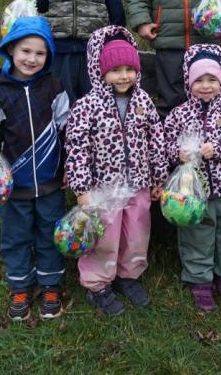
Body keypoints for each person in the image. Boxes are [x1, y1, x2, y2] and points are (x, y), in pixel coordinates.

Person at [0, 15, 70, 321]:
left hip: (51, 181)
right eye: (26, 51)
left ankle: (51, 283)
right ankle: (20, 285)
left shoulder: (54, 87)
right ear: (10, 49)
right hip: (13, 186)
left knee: (50, 233)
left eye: (40, 53)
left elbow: (67, 130)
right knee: (15, 236)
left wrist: (68, 166)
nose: (32, 59)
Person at [64, 26, 167, 316]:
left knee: (136, 233)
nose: (123, 76)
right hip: (102, 189)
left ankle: (128, 275)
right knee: (104, 237)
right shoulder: (87, 107)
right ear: (100, 71)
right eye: (115, 70)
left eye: (129, 69)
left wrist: (158, 178)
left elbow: (155, 141)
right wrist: (81, 188)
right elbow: (77, 148)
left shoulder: (143, 101)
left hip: (138, 184)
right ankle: (98, 284)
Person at [163, 44, 221, 312]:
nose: (206, 86)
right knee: (197, 232)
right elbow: (164, 144)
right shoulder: (179, 115)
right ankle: (199, 279)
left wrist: (219, 148)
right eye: (199, 80)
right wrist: (177, 153)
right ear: (188, 81)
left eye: (212, 79)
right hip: (191, 193)